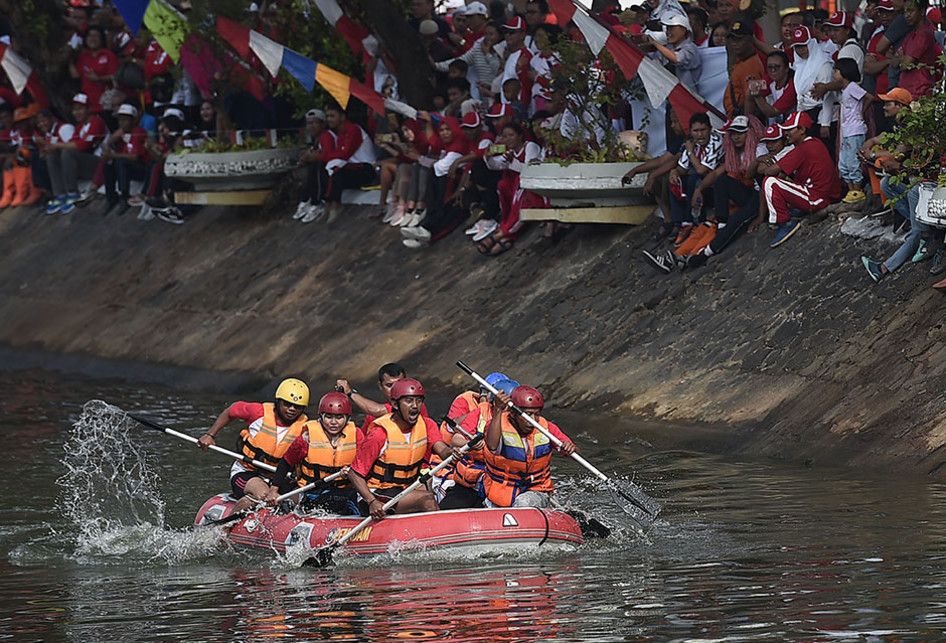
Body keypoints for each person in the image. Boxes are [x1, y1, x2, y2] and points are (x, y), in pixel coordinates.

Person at [347, 378, 455, 519]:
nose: (415, 406)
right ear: (394, 404)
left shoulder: (427, 425)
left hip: (406, 489)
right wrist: (371, 501)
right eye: (409, 401)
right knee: (427, 499)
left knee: (431, 490)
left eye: (419, 401)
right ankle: (438, 537)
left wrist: (452, 453)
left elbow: (442, 450)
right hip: (377, 492)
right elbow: (354, 474)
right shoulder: (379, 434)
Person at [197, 378, 310, 511]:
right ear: (278, 401)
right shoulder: (258, 412)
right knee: (263, 495)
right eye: (287, 404)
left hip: (280, 479)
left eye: (297, 407)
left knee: (298, 499)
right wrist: (210, 435)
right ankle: (226, 528)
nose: (292, 409)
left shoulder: (305, 428)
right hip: (247, 472)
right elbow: (231, 411)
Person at [263, 391, 364, 516]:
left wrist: (352, 471)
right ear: (321, 417)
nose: (333, 422)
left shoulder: (356, 435)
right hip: (311, 491)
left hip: (344, 491)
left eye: (339, 418)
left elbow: (364, 463)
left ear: (347, 418)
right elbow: (286, 463)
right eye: (328, 417)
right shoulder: (307, 438)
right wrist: (273, 490)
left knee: (355, 506)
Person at [480, 385, 576, 508]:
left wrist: (569, 447)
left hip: (536, 490)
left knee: (523, 503)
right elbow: (492, 446)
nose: (533, 420)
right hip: (501, 493)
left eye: (537, 414)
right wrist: (498, 409)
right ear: (513, 413)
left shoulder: (547, 428)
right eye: (528, 414)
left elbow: (571, 450)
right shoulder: (496, 425)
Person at [758, 111, 842, 248]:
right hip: (826, 196)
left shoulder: (803, 148)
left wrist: (766, 162)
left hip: (817, 198)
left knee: (769, 182)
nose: (786, 133)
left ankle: (784, 223)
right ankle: (793, 214)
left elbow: (769, 171)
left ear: (802, 130)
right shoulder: (815, 142)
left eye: (790, 129)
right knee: (780, 179)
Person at [440, 376, 519, 510]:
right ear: (494, 403)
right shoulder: (480, 412)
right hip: (472, 481)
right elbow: (455, 440)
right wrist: (471, 443)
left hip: (502, 482)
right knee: (450, 507)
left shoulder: (522, 422)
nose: (508, 412)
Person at [43, 93, 107, 215]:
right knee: (52, 155)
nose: (76, 113)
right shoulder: (79, 127)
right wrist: (53, 148)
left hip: (100, 164)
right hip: (86, 163)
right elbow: (73, 143)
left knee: (67, 152)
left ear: (88, 109)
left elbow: (83, 145)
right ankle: (60, 194)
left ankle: (73, 193)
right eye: (74, 109)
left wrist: (57, 145)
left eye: (80, 109)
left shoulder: (96, 121)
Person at [667, 112, 723, 245]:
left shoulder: (716, 141)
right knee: (674, 181)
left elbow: (702, 170)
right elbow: (683, 168)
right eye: (695, 131)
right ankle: (679, 223)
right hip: (700, 184)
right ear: (691, 132)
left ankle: (693, 222)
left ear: (710, 129)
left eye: (703, 130)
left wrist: (691, 152)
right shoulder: (692, 143)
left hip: (716, 186)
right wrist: (674, 172)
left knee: (694, 178)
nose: (700, 134)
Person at [321, 104, 378, 224]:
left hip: (367, 169)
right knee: (324, 168)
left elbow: (345, 154)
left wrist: (322, 156)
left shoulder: (354, 130)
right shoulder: (340, 133)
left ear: (342, 117)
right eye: (327, 116)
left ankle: (335, 205)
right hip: (352, 168)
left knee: (337, 171)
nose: (329, 119)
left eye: (332, 116)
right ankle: (326, 203)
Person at [336, 362, 429, 432]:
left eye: (398, 384)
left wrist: (350, 393)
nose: (394, 389)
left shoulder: (415, 405)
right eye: (389, 385)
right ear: (380, 386)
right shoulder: (372, 417)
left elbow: (378, 410)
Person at [102, 103, 150, 216]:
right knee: (108, 163)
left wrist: (114, 155)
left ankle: (124, 196)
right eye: (120, 120)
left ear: (133, 120)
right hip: (131, 167)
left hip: (144, 169)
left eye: (125, 120)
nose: (121, 123)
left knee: (120, 161)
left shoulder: (138, 131)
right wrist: (112, 141)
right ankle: (111, 197)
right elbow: (107, 144)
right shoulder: (124, 133)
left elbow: (134, 156)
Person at [834, 58, 870, 204]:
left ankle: (857, 192)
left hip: (855, 130)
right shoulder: (845, 90)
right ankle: (851, 192)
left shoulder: (853, 87)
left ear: (844, 72)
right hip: (847, 130)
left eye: (836, 71)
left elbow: (868, 97)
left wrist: (862, 112)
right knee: (844, 163)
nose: (834, 74)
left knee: (853, 163)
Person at [292, 108, 333, 223]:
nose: (311, 126)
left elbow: (327, 156)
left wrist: (312, 157)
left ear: (323, 124)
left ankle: (317, 202)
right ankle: (306, 200)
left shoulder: (327, 136)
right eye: (309, 123)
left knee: (317, 165)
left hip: (331, 171)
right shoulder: (316, 139)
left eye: (314, 123)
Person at [70, 26, 119, 114]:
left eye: (96, 36)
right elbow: (76, 75)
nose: (92, 39)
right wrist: (69, 60)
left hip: (106, 103)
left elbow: (116, 76)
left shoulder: (108, 55)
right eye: (90, 36)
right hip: (88, 105)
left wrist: (99, 79)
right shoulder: (83, 57)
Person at [723, 20, 766, 118]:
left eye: (739, 39)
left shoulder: (753, 64)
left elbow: (752, 98)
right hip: (737, 116)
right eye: (732, 39)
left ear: (750, 39)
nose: (734, 43)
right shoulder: (742, 61)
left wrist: (747, 124)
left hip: (746, 117)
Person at [646, 14, 702, 89]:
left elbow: (677, 59)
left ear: (684, 29)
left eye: (672, 28)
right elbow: (653, 59)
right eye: (667, 28)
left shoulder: (691, 48)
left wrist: (655, 43)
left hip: (687, 95)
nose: (668, 32)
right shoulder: (669, 47)